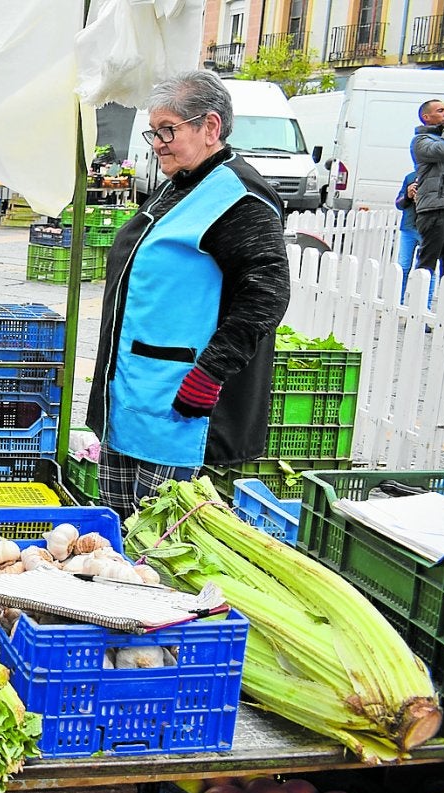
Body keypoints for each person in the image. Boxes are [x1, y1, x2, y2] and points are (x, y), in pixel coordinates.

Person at [87, 70, 290, 520]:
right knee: (119, 530)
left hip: (179, 403)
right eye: (153, 131)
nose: (157, 142)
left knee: (157, 538)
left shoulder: (240, 197)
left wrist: (210, 374)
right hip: (135, 392)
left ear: (210, 127)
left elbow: (266, 296)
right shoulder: (179, 185)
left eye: (168, 130)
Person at [410, 99, 444, 278]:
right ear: (426, 117)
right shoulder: (420, 141)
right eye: (440, 111)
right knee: (428, 261)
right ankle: (419, 302)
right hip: (433, 210)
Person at [395, 171, 425, 303]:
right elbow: (398, 204)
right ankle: (398, 302)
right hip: (408, 227)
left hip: (427, 229)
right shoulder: (410, 177)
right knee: (403, 267)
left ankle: (425, 306)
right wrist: (407, 195)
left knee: (426, 270)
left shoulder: (438, 175)